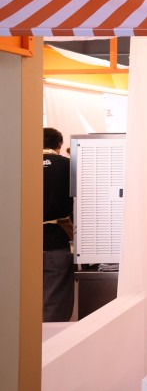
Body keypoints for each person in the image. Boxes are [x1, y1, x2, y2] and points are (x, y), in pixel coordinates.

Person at [42, 127, 74, 322]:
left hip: (23, 246)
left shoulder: (20, 164)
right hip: (56, 242)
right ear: (59, 145)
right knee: (55, 306)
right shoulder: (67, 165)